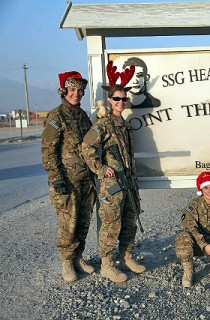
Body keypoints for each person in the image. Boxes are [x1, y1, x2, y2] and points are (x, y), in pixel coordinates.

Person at [82, 83, 146, 283]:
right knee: (111, 223)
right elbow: (87, 146)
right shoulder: (103, 124)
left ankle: (127, 257)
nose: (120, 102)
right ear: (109, 100)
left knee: (129, 221)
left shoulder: (126, 126)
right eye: (116, 98)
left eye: (123, 99)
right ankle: (107, 265)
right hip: (113, 185)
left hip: (128, 182)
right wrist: (100, 169)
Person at [41, 71, 96, 283]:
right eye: (72, 90)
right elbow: (48, 151)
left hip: (85, 179)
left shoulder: (81, 115)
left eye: (80, 90)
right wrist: (57, 179)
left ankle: (78, 257)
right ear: (64, 91)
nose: (77, 94)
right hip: (66, 181)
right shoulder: (57, 116)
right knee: (68, 223)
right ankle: (66, 261)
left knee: (83, 221)